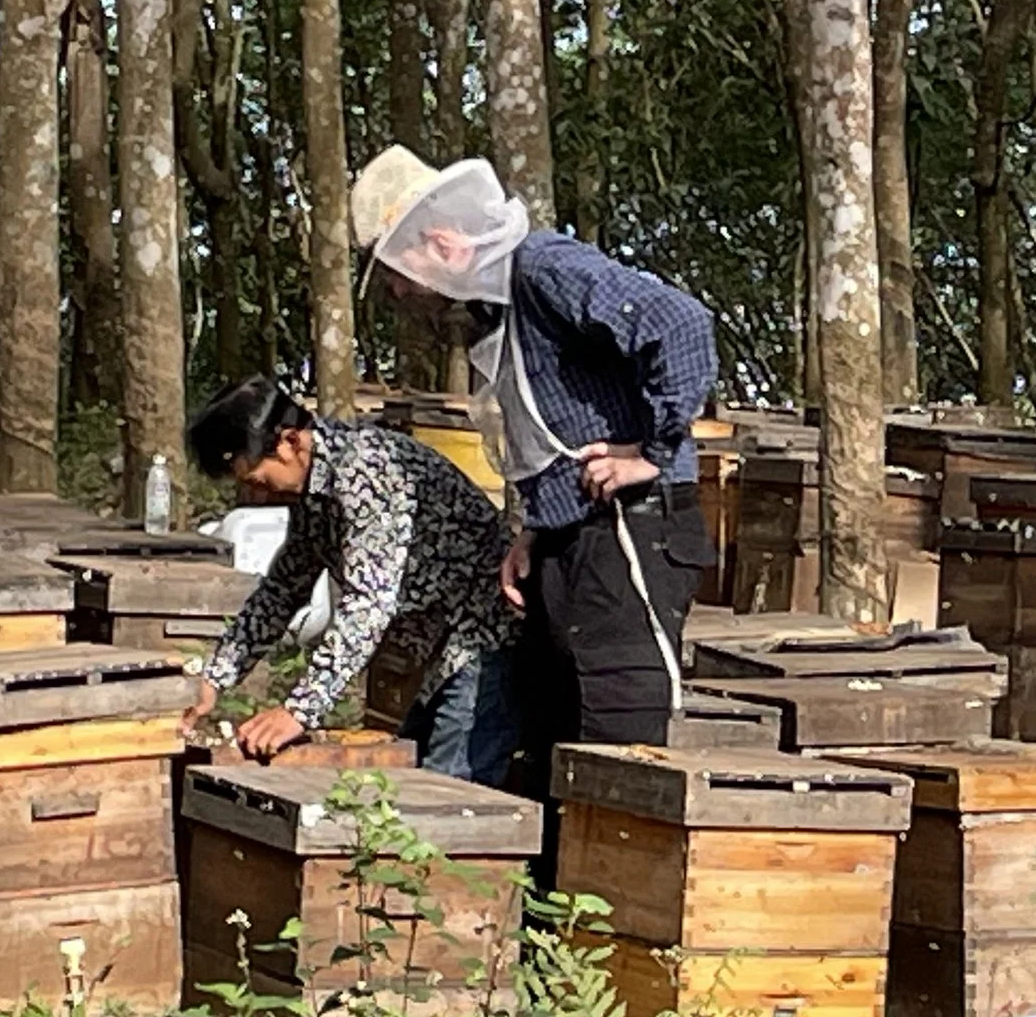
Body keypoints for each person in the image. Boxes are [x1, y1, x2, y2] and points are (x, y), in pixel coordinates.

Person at [352, 147, 718, 761]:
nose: (396, 288)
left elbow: (680, 323)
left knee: (615, 741)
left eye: (394, 266)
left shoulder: (545, 269)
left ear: (439, 241)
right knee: (552, 737)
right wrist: (533, 529)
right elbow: (543, 430)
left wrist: (652, 451)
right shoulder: (497, 305)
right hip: (570, 535)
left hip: (629, 528)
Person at [184, 376, 520, 786]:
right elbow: (283, 589)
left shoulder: (365, 471)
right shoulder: (313, 488)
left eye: (257, 480)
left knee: (447, 796)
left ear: (290, 442)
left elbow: (367, 604)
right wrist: (214, 678)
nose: (257, 496)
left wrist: (298, 710)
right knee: (408, 788)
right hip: (431, 648)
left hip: (482, 639)